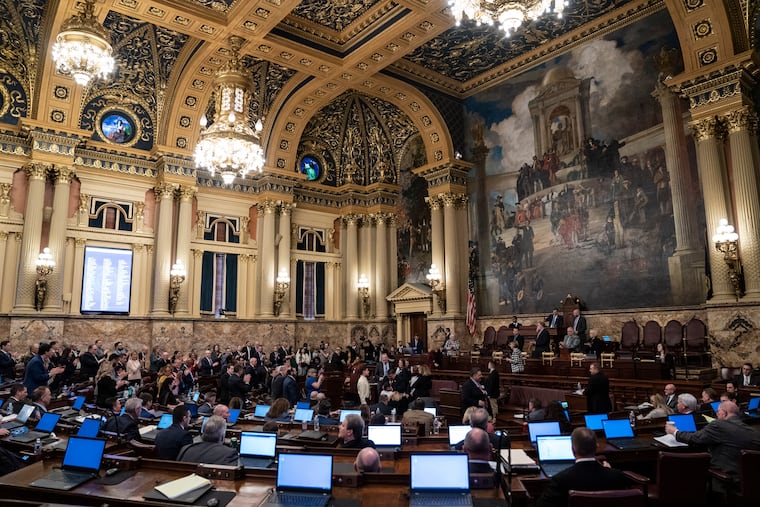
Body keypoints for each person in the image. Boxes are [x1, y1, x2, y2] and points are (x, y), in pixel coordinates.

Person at [537, 427, 630, 507]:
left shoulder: (561, 479)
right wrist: (610, 471)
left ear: (573, 450)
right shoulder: (617, 476)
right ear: (596, 447)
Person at [665, 401, 760, 475]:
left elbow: (694, 438)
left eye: (718, 412)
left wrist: (674, 431)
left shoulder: (719, 425)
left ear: (724, 413)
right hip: (751, 478)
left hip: (729, 476)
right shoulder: (752, 430)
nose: (717, 415)